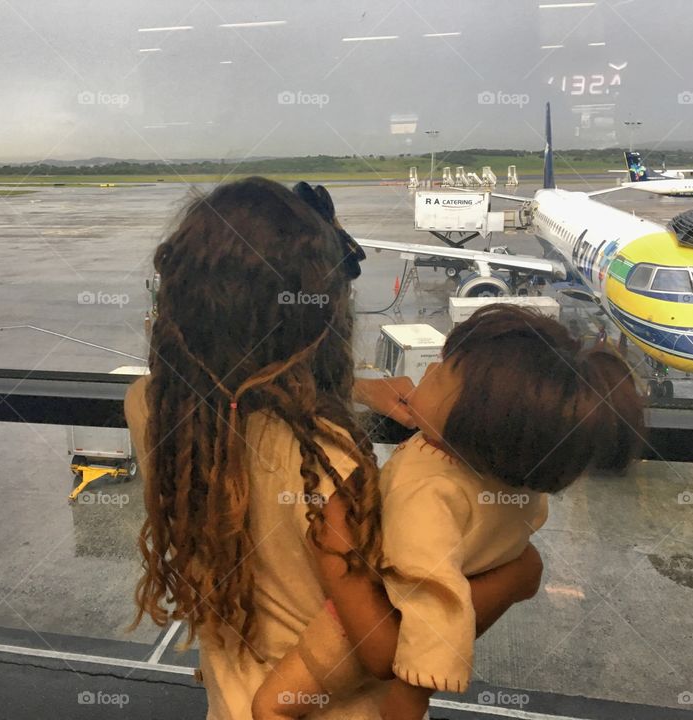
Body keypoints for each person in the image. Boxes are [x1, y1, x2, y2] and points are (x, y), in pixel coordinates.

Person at [125, 178, 544, 719]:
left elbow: (234, 391)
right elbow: (382, 648)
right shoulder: (322, 459)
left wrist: (348, 390)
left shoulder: (153, 407)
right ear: (319, 316)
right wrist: (518, 576)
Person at [252, 304, 645, 720]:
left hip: (358, 624)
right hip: (431, 597)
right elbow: (521, 542)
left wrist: (412, 693)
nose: (428, 372)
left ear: (470, 422)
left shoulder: (427, 494)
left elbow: (435, 600)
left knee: (270, 707)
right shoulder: (505, 474)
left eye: (442, 371)